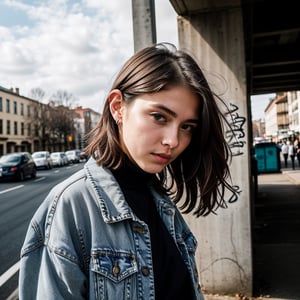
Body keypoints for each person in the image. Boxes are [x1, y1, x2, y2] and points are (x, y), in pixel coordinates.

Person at [19, 43, 237, 300]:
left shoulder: (159, 200)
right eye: (159, 117)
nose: (173, 141)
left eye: (187, 126)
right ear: (117, 107)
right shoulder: (71, 206)